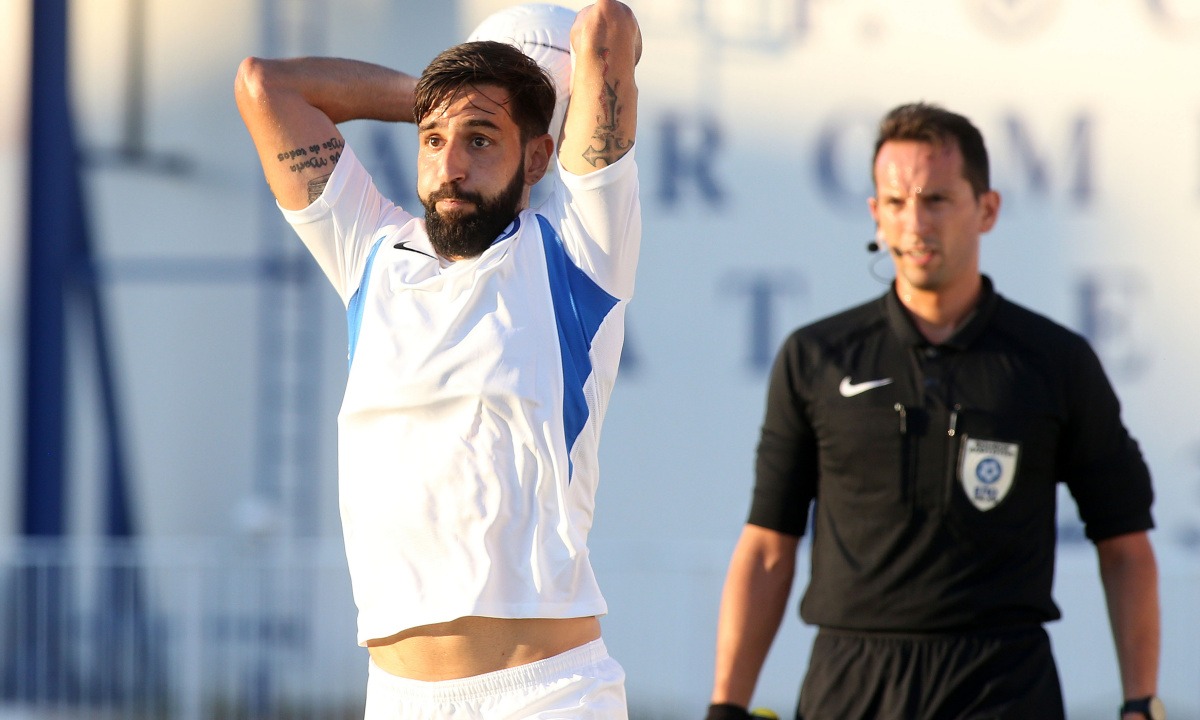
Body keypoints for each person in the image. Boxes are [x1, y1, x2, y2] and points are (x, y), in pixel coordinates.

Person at [233, 1, 641, 717]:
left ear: (537, 156)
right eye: (433, 138)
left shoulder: (576, 257)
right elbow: (265, 86)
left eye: (481, 140)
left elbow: (605, 27)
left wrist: (532, 87)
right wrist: (447, 95)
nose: (450, 166)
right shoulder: (370, 254)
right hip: (399, 699)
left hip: (549, 695)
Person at [705, 103, 1163, 720]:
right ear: (876, 213)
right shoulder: (817, 357)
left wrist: (1140, 701)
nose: (915, 223)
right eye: (896, 203)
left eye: (937, 200)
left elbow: (1125, 544)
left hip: (1002, 685)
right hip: (852, 684)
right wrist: (727, 706)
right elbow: (767, 545)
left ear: (988, 209)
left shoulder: (1055, 361)